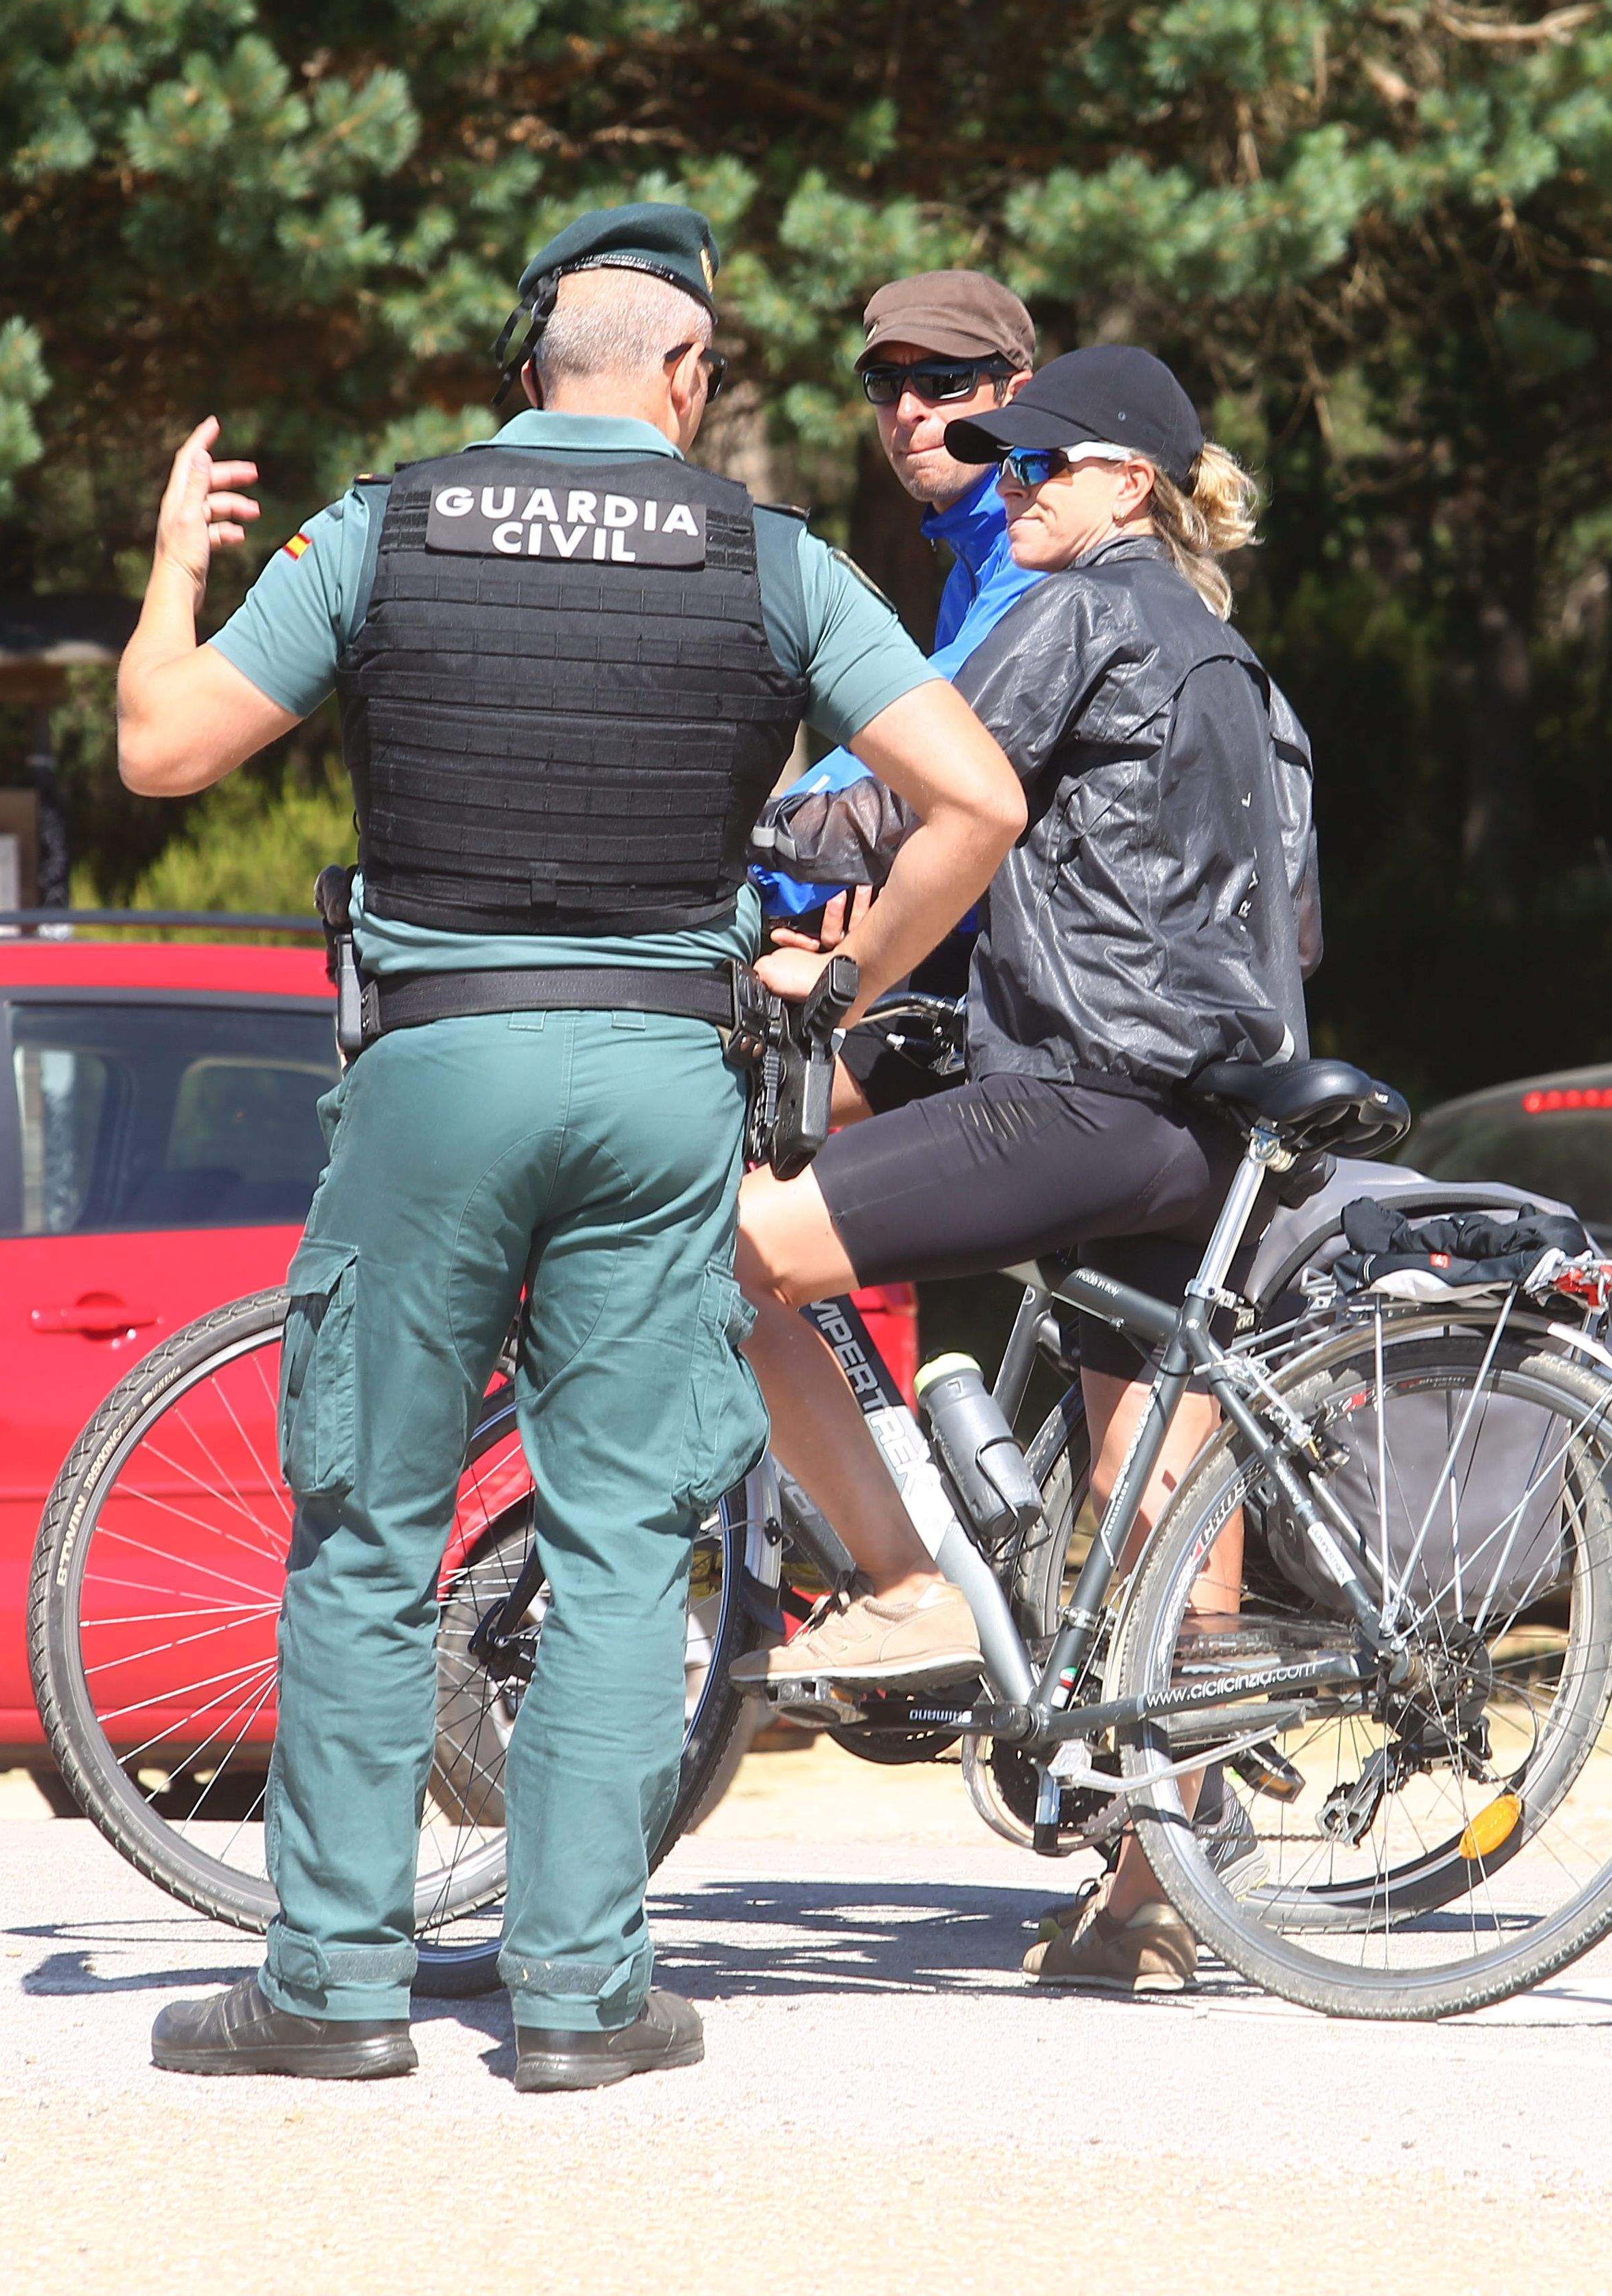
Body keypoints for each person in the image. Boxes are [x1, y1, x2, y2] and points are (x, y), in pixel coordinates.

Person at [114, 202, 1022, 2090]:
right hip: (661, 1073)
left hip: (440, 1065)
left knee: (371, 1521)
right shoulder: (767, 562)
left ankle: (337, 1986)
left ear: (529, 362)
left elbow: (161, 750)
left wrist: (167, 576)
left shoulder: (382, 526)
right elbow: (975, 797)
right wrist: (831, 992)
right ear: (684, 376)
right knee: (625, 1539)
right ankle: (584, 1995)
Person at [730, 344, 1305, 1991]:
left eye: (1043, 464)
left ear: (1127, 483)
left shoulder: (1082, 610)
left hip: (1074, 1093)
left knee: (727, 1244)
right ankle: (1155, 1887)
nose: (1014, 486)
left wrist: (729, 854)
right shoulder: (1233, 663)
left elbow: (906, 804)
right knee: (1156, 1511)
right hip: (1208, 1122)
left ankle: (904, 1583)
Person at [756, 268, 1042, 1098]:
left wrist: (746, 869)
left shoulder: (1034, 556)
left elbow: (922, 756)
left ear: (1013, 392)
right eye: (888, 383)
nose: (910, 410)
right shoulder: (977, 560)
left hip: (1063, 1025)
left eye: (944, 382)